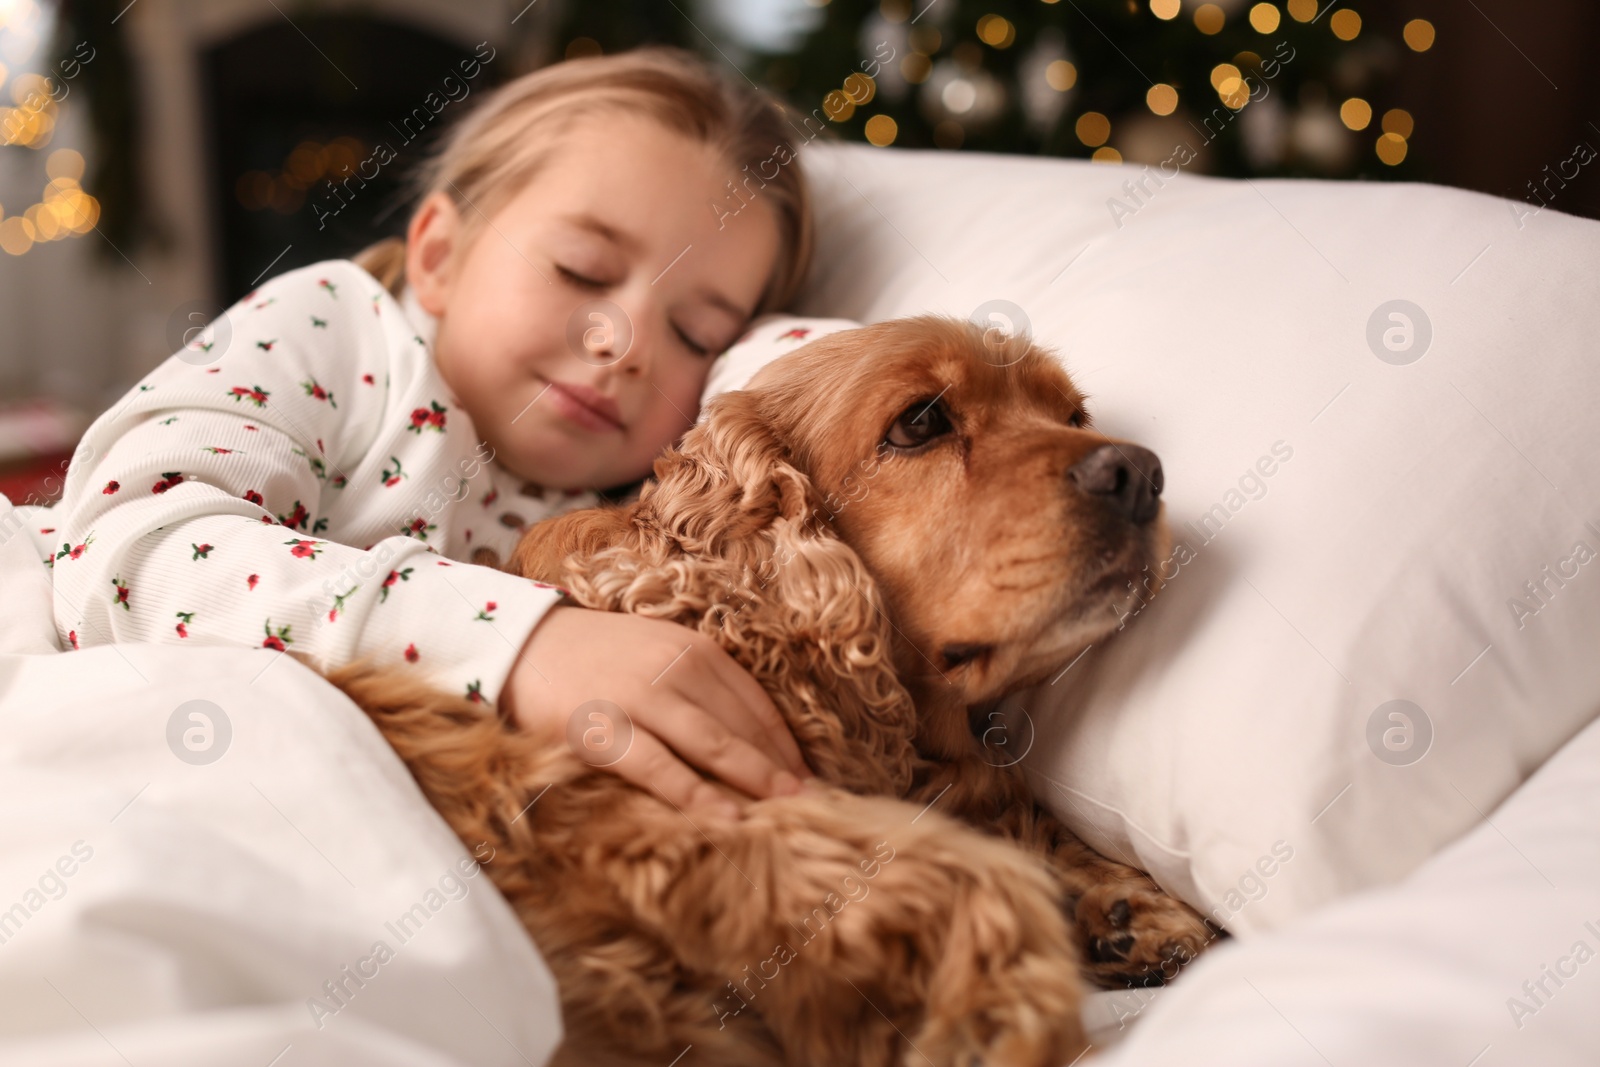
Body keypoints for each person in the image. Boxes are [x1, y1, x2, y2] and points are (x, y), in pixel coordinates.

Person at [41, 45, 821, 820]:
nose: (626, 343)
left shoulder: (651, 491)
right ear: (440, 255)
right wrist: (515, 643)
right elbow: (130, 555)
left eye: (696, 333)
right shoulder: (340, 329)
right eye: (582, 270)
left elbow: (823, 395)